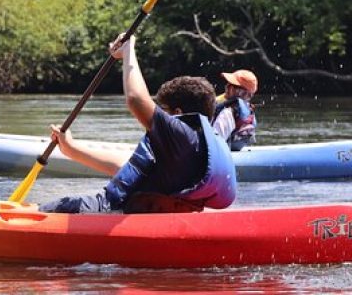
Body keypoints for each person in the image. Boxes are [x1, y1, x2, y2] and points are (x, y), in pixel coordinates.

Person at [37, 33, 237, 214]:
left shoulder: (182, 135)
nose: (159, 117)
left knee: (56, 208)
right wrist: (72, 149)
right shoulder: (196, 145)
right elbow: (127, 168)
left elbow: (135, 99)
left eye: (164, 111)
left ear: (177, 113)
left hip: (115, 215)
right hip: (161, 217)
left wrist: (128, 50)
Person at [212, 69, 258, 151]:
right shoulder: (249, 110)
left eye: (230, 85)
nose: (226, 86)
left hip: (221, 152)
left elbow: (214, 144)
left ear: (242, 92)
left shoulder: (227, 113)